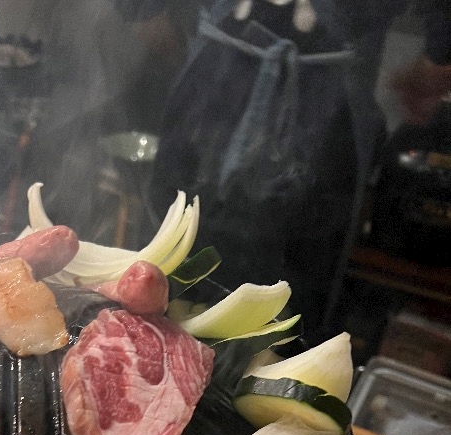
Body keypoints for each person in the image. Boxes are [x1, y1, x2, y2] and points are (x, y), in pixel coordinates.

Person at [116, 0, 450, 344]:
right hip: (221, 79)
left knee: (285, 312)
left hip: (325, 101)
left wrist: (439, 54)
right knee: (164, 287)